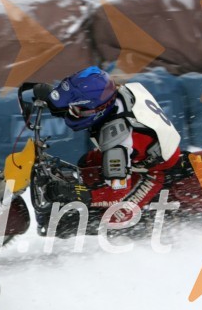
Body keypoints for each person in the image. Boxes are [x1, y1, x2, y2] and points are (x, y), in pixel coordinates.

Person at [30, 66, 192, 235]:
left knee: (113, 217)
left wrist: (78, 194)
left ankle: (147, 227)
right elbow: (82, 99)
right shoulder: (114, 94)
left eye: (76, 110)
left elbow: (116, 194)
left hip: (155, 171)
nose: (72, 113)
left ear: (97, 110)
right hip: (143, 150)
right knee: (87, 165)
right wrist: (53, 100)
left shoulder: (117, 142)